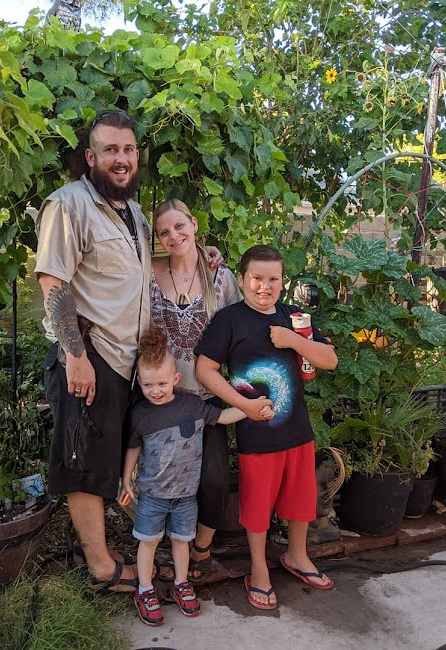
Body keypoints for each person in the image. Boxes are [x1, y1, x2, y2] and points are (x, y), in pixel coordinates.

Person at [34, 110, 221, 591]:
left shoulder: (132, 212)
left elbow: (139, 266)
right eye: (111, 150)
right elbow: (53, 281)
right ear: (90, 156)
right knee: (84, 465)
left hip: (122, 362)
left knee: (101, 461)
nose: (121, 159)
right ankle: (101, 567)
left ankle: (98, 551)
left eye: (129, 149)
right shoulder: (69, 206)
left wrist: (198, 255)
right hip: (89, 356)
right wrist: (76, 357)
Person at [195, 244, 338, 610]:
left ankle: (297, 555)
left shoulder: (295, 318)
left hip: (297, 430)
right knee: (258, 507)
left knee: (301, 499)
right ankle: (258, 568)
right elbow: (204, 369)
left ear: (282, 281)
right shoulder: (229, 320)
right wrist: (242, 404)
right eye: (257, 278)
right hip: (256, 435)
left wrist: (293, 340)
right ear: (242, 279)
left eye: (273, 279)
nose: (265, 286)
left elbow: (329, 360)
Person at [119, 326, 273, 626]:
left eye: (162, 383)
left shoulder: (192, 405)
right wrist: (126, 480)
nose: (155, 391)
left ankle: (181, 583)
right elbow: (133, 448)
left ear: (176, 379)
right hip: (153, 495)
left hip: (186, 495)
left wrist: (251, 408)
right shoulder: (140, 414)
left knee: (181, 541)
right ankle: (145, 589)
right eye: (148, 385)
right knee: (148, 542)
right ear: (140, 382)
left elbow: (223, 417)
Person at [150, 199, 243, 582]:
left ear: (193, 224)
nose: (174, 236)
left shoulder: (221, 277)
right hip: (163, 399)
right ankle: (166, 551)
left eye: (179, 226)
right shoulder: (149, 272)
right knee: (165, 482)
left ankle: (201, 550)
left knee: (215, 480)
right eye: (164, 232)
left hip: (208, 395)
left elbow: (241, 328)